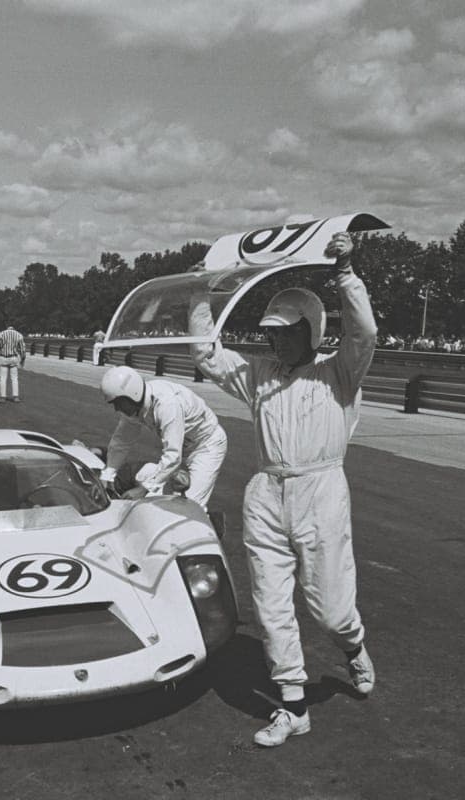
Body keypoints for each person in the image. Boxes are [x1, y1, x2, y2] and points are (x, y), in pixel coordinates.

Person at [189, 231, 377, 747]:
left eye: (287, 332)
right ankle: (293, 706)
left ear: (312, 330)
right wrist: (203, 293)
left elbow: (363, 335)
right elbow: (207, 354)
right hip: (266, 492)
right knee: (271, 606)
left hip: (321, 491)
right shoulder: (259, 375)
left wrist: (345, 274)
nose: (276, 340)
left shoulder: (340, 372)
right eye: (272, 332)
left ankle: (353, 646)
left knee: (331, 609)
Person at [98, 365, 227, 509]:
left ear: (131, 395)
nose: (117, 409)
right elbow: (121, 441)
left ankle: (212, 523)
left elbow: (172, 455)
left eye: (118, 403)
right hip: (182, 447)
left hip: (205, 446)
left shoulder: (167, 404)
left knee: (190, 506)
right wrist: (107, 475)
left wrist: (143, 489)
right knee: (162, 500)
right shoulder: (134, 406)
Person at [0, 323, 26, 402]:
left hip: (4, 357)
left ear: (7, 328)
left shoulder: (1, 334)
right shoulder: (19, 335)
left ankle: (3, 397)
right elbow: (22, 350)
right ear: (13, 328)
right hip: (14, 357)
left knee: (3, 378)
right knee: (14, 378)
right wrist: (23, 360)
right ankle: (16, 397)